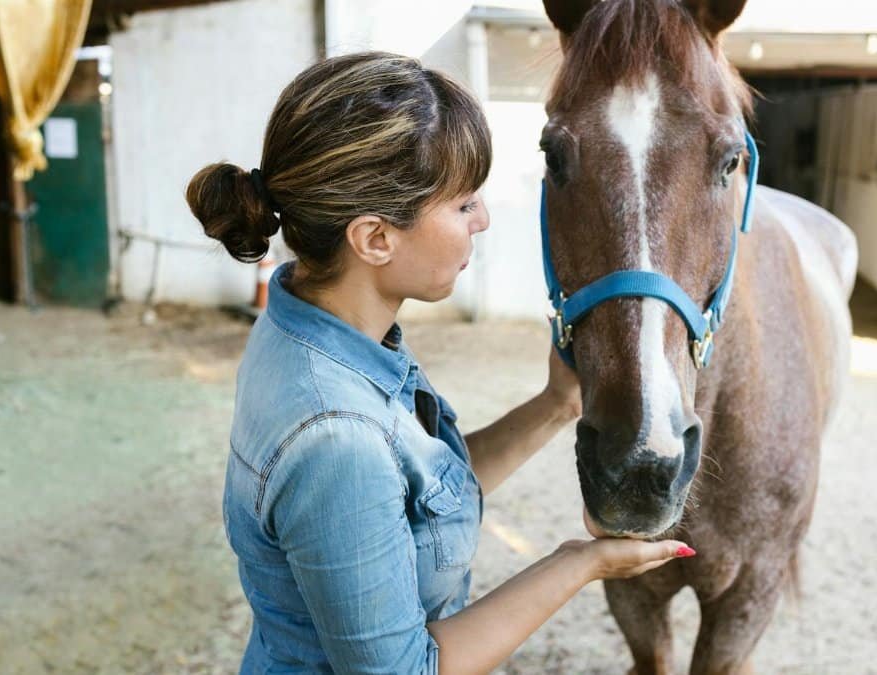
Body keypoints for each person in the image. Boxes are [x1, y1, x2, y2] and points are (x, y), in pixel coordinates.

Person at [185, 51, 695, 674]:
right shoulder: (335, 437)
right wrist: (580, 563)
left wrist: (556, 404)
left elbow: (413, 498)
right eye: (461, 205)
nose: (481, 220)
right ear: (375, 239)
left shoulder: (312, 320)